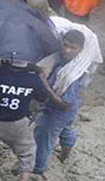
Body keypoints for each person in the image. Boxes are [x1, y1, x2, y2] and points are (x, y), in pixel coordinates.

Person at [0, 59, 52, 181]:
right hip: (17, 123)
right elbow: (42, 97)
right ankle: (23, 177)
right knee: (27, 153)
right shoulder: (33, 79)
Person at [32, 30, 86, 175]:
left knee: (42, 140)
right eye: (65, 45)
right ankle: (66, 150)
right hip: (69, 113)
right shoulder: (65, 61)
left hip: (56, 113)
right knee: (66, 129)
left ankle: (37, 169)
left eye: (72, 48)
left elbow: (64, 104)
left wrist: (44, 82)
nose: (67, 50)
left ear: (80, 49)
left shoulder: (72, 74)